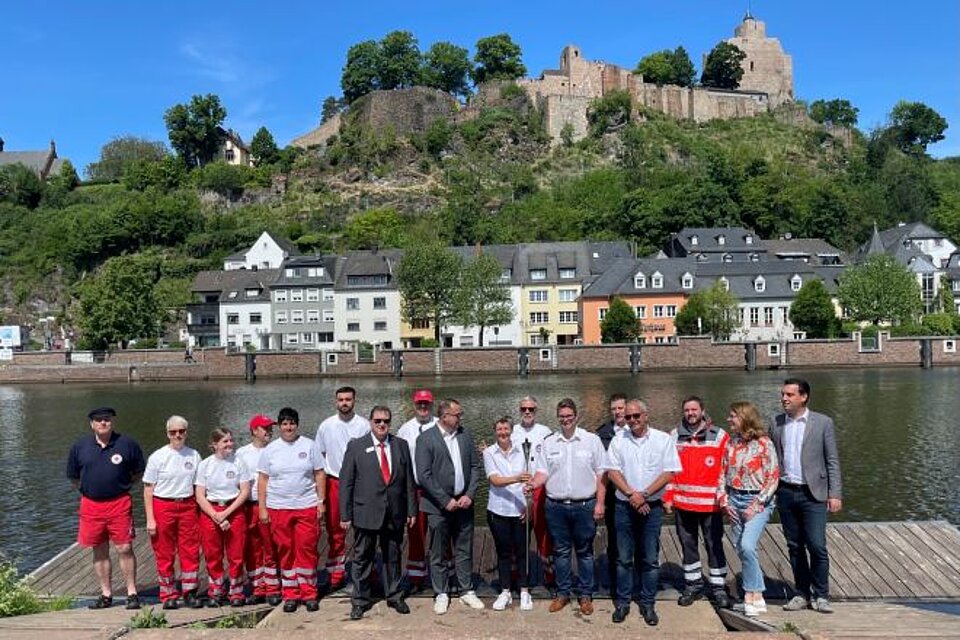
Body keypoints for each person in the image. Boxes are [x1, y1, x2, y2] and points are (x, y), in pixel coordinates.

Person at [604, 399, 682, 626]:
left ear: (646, 415)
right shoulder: (619, 440)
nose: (632, 421)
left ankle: (648, 603)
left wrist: (644, 494)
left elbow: (669, 472)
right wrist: (632, 495)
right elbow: (612, 471)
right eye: (628, 417)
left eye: (636, 416)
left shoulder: (663, 440)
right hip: (624, 506)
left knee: (649, 558)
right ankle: (624, 602)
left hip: (652, 506)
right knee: (624, 558)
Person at [771, 378, 843, 614]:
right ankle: (801, 593)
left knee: (816, 545)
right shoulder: (776, 422)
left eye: (790, 395)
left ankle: (821, 595)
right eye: (783, 394)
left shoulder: (822, 423)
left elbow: (832, 460)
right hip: (786, 491)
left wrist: (835, 494)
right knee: (794, 546)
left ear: (804, 397)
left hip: (814, 494)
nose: (784, 398)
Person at [339, 406, 418, 620]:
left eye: (386, 421)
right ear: (371, 422)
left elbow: (409, 480)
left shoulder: (401, 445)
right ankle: (360, 601)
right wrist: (345, 514)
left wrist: (412, 509)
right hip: (365, 513)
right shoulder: (356, 446)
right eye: (377, 421)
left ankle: (394, 596)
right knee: (362, 558)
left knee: (393, 557)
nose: (382, 425)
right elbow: (346, 482)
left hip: (394, 513)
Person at [529, 398, 605, 616]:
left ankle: (585, 595)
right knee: (560, 552)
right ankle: (562, 594)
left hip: (585, 505)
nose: (566, 421)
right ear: (557, 418)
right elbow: (542, 472)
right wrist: (533, 483)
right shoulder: (549, 442)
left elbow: (602, 473)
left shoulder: (592, 441)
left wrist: (600, 502)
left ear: (576, 416)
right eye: (562, 417)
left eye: (569, 417)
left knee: (585, 552)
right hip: (556, 506)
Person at [66, 407, 146, 610]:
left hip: (119, 503)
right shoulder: (79, 446)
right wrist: (86, 490)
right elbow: (73, 476)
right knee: (99, 549)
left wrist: (123, 484)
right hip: (91, 505)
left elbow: (138, 471)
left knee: (124, 548)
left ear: (112, 422)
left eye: (107, 420)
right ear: (91, 424)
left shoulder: (127, 444)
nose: (103, 423)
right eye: (99, 420)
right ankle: (106, 594)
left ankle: (132, 593)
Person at [416, 398, 485, 614]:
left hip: (464, 502)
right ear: (445, 416)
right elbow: (424, 475)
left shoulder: (465, 435)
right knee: (438, 551)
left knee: (464, 549)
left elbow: (475, 466)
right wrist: (445, 500)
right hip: (438, 505)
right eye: (458, 414)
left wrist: (470, 494)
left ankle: (465, 590)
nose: (460, 418)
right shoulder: (426, 439)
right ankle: (441, 592)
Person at [663, 396, 731, 608]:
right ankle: (693, 586)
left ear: (703, 411)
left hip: (710, 504)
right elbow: (668, 471)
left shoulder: (720, 436)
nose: (690, 413)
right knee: (688, 546)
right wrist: (668, 498)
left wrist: (724, 499)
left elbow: (726, 469)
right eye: (686, 410)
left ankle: (719, 588)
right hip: (683, 504)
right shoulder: (674, 437)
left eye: (694, 410)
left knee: (714, 545)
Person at [259, 407, 326, 613]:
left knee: (306, 549)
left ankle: (309, 593)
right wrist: (262, 507)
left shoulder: (309, 445)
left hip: (305, 505)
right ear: (279, 426)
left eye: (292, 423)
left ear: (297, 425)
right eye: (285, 424)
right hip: (278, 507)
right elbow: (263, 479)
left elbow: (319, 474)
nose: (289, 427)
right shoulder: (270, 449)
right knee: (285, 550)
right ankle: (290, 594)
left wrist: (320, 501)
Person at [718, 401, 780, 618]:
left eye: (733, 415)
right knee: (739, 546)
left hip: (757, 501)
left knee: (747, 545)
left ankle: (750, 593)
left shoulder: (764, 443)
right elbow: (721, 473)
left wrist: (757, 504)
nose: (729, 419)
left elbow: (773, 477)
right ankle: (758, 596)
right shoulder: (731, 443)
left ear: (744, 418)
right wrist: (723, 500)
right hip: (734, 498)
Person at [313, 386, 371, 590]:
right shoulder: (326, 426)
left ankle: (365, 573)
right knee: (335, 530)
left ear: (354, 400)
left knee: (364, 529)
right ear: (335, 401)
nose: (344, 403)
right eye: (341, 399)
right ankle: (336, 575)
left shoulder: (364, 425)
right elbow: (318, 457)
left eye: (348, 399)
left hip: (360, 483)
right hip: (334, 482)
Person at [142, 415, 202, 609]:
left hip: (188, 504)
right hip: (163, 505)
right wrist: (150, 519)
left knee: (190, 550)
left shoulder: (194, 455)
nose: (178, 435)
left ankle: (190, 592)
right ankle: (168, 594)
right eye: (173, 432)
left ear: (186, 432)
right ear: (167, 433)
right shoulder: (157, 456)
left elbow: (200, 486)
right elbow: (148, 489)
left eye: (181, 431)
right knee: (164, 552)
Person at [196, 428, 251, 607]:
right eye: (225, 442)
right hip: (211, 510)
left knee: (236, 554)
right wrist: (215, 515)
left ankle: (236, 592)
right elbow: (199, 495)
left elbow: (244, 492)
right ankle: (216, 591)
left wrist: (226, 513)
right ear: (214, 445)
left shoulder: (239, 462)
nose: (230, 444)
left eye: (231, 441)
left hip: (233, 509)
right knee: (213, 554)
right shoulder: (205, 464)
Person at [484, 417, 534, 611]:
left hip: (521, 509)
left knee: (522, 552)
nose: (503, 432)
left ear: (511, 430)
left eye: (506, 429)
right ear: (495, 432)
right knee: (503, 552)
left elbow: (531, 481)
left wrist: (530, 505)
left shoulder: (524, 449)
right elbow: (495, 480)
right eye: (499, 429)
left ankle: (524, 590)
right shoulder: (489, 452)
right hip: (499, 509)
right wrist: (516, 478)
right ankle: (505, 591)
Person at [236, 414, 281, 605]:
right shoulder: (241, 453)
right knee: (252, 549)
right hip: (249, 505)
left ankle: (273, 588)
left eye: (271, 427)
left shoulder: (277, 450)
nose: (270, 431)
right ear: (254, 431)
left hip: (270, 504)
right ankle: (257, 588)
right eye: (265, 428)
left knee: (270, 547)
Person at [511, 396, 554, 589]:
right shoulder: (511, 431)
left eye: (531, 409)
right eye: (524, 409)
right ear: (519, 411)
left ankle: (550, 576)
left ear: (536, 411)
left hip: (539, 488)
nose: (527, 412)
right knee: (519, 535)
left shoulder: (545, 432)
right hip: (518, 488)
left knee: (543, 534)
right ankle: (517, 577)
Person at [396, 388, 437, 589]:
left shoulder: (440, 425)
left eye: (426, 404)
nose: (423, 407)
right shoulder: (405, 429)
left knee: (440, 533)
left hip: (437, 489)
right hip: (415, 489)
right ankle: (416, 577)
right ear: (414, 405)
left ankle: (444, 574)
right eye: (420, 404)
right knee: (415, 533)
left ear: (432, 405)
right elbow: (399, 460)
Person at [595, 392, 628, 597]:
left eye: (620, 408)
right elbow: (600, 468)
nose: (617, 412)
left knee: (639, 536)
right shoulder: (603, 433)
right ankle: (617, 580)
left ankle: (638, 576)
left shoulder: (637, 430)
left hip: (636, 493)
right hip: (613, 496)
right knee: (615, 536)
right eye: (614, 409)